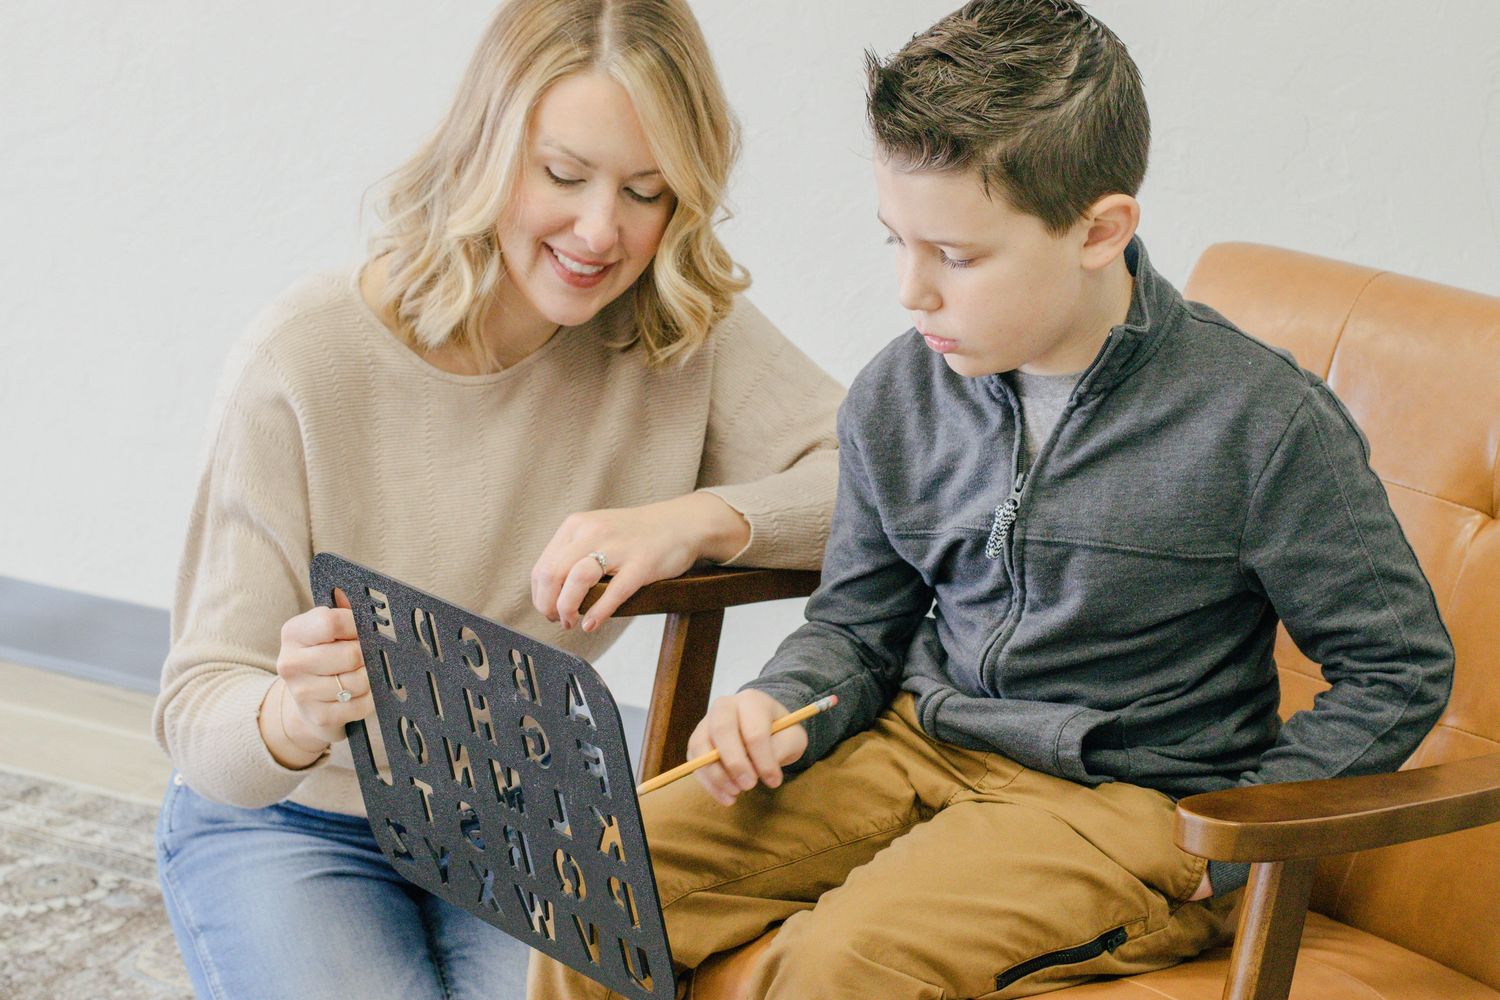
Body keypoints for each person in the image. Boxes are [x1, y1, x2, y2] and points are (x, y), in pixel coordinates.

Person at [527, 1, 1456, 997]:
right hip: (915, 740)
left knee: (835, 969)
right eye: (897, 242)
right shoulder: (902, 389)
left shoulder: (1261, 423)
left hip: (1121, 802)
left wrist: (1225, 839)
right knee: (591, 872)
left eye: (957, 257)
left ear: (1100, 230)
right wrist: (784, 702)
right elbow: (857, 624)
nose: (910, 292)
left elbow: (1396, 667)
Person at [151, 1, 843, 996]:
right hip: (296, 818)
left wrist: (698, 520)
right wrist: (290, 714)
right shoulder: (303, 359)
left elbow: (890, 476)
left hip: (528, 810)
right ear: (484, 151)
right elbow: (198, 707)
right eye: (563, 175)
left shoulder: (675, 324)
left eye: (647, 192)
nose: (601, 230)